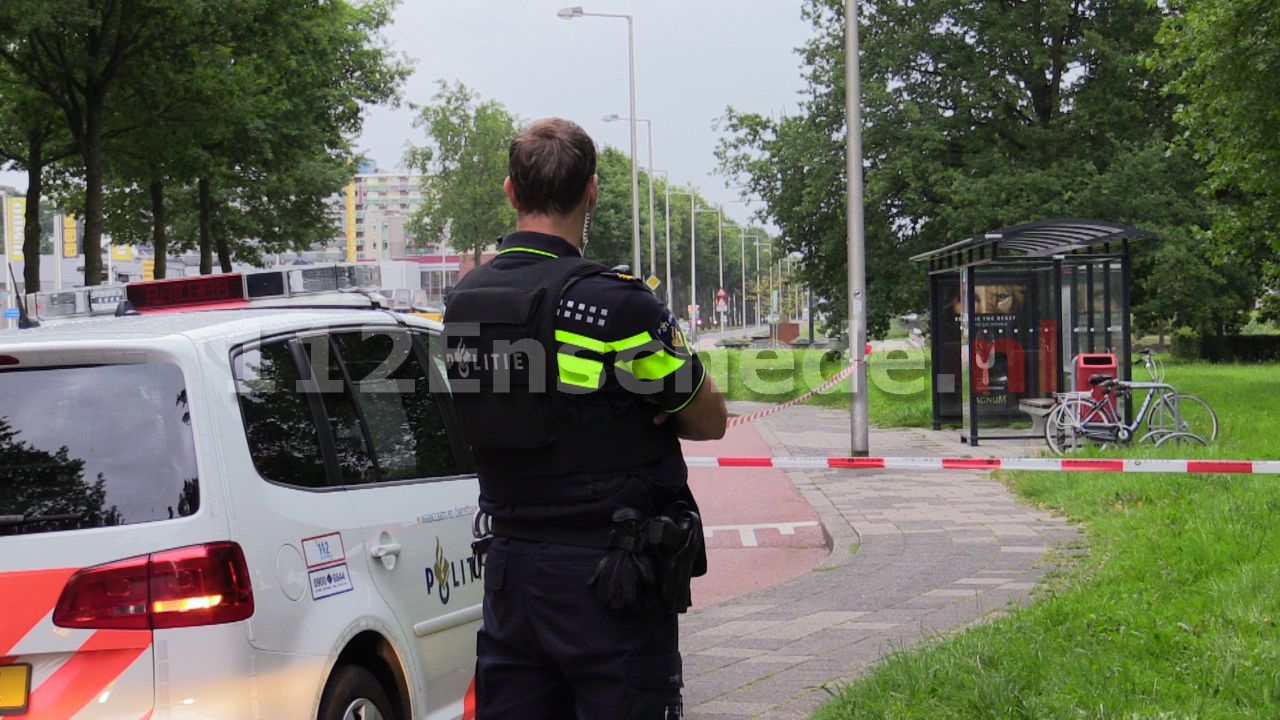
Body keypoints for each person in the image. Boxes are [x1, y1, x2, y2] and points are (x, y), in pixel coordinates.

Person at [442, 117, 727, 719]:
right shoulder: (613, 304)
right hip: (607, 581)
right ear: (592, 192)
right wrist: (638, 405)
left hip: (510, 574)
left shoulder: (465, 302)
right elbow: (706, 419)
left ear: (510, 191)